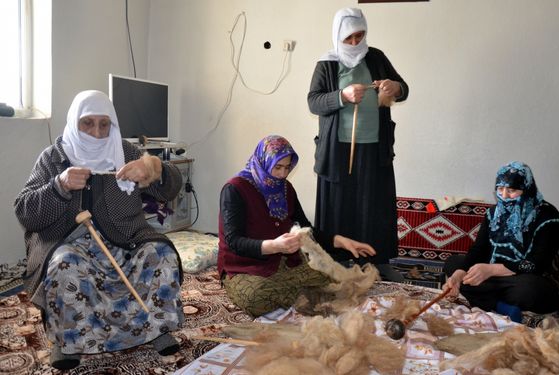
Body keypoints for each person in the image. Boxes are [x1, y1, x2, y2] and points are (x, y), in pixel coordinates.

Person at [14, 90, 185, 370]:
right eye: (88, 123)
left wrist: (153, 168)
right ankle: (67, 342)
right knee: (64, 265)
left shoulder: (126, 153)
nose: (96, 132)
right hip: (69, 244)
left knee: (160, 254)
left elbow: (170, 188)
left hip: (125, 239)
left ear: (113, 125)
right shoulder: (53, 158)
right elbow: (25, 212)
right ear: (74, 122)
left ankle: (156, 328)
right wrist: (59, 186)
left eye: (104, 124)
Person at [217, 135, 376, 317]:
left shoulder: (285, 188)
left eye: (287, 167)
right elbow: (234, 241)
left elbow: (305, 228)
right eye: (278, 167)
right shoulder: (235, 189)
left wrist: (339, 241)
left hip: (285, 261)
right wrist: (273, 246)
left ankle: (299, 295)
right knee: (256, 297)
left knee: (332, 281)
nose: (283, 174)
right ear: (264, 161)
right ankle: (302, 295)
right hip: (245, 266)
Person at [307, 7, 409, 282]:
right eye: (348, 38)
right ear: (338, 35)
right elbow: (314, 101)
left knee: (374, 204)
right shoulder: (327, 63)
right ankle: (338, 261)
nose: (354, 43)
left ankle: (378, 261)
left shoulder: (375, 57)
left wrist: (394, 87)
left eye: (359, 36)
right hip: (337, 150)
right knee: (340, 205)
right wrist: (342, 95)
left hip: (374, 147)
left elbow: (404, 89)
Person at [443, 161, 559, 319]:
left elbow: (536, 264)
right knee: (453, 264)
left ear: (527, 188)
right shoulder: (494, 213)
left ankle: (485, 298)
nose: (504, 195)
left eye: (512, 190)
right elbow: (479, 250)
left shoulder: (548, 216)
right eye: (500, 189)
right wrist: (460, 274)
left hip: (531, 278)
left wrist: (490, 270)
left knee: (529, 290)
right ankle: (500, 305)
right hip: (496, 278)